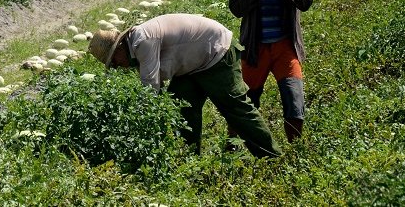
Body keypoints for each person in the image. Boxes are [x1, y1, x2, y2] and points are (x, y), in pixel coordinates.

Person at [88, 13, 282, 158]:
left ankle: (272, 157)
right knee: (181, 107)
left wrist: (140, 126)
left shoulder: (142, 41)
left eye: (113, 61)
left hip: (216, 52)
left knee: (236, 109)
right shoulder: (137, 48)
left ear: (120, 46)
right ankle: (190, 159)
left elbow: (150, 91)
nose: (117, 66)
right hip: (194, 65)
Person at [228, 0, 313, 143]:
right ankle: (232, 153)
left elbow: (306, 3)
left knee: (295, 102)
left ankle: (296, 153)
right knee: (244, 104)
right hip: (255, 47)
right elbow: (236, 8)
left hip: (285, 46)